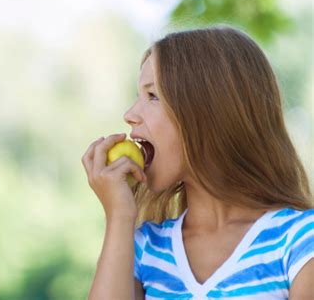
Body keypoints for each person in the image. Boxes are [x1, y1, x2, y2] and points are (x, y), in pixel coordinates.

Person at [81, 25, 313, 300]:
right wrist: (119, 216)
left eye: (152, 96)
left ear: (209, 112)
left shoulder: (299, 242)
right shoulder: (145, 250)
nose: (130, 114)